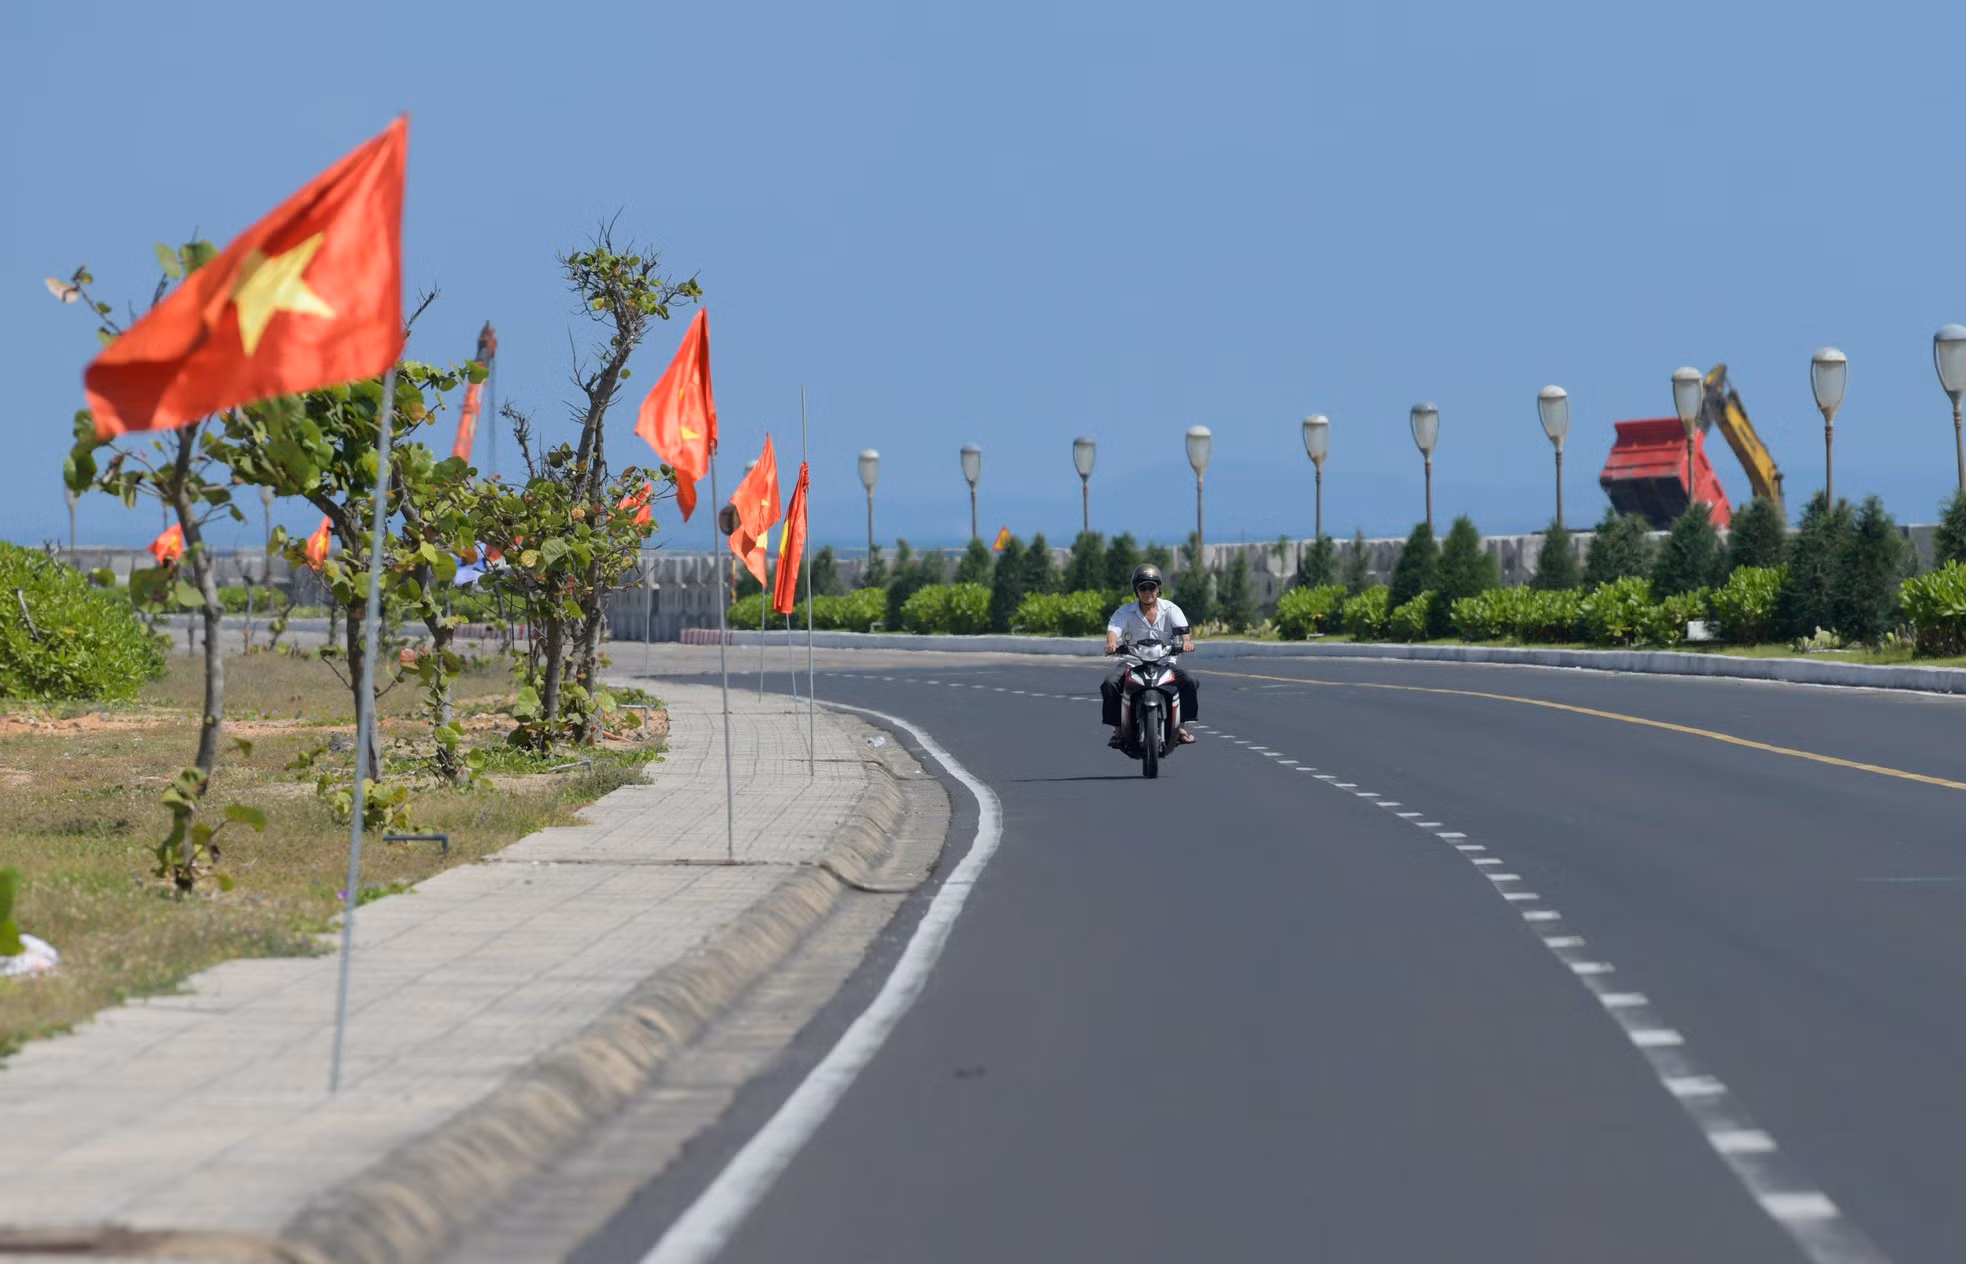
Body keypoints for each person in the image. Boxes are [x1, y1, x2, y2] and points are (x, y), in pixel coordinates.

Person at [1102, 563, 1199, 747]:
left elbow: (1182, 630)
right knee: (1110, 684)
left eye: (1151, 586)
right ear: (1136, 590)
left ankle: (1181, 728)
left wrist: (1186, 642)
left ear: (1158, 588)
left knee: (1190, 680)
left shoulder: (1171, 609)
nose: (1147, 591)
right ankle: (1118, 729)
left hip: (1164, 662)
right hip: (1132, 663)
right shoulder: (1125, 612)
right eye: (1142, 587)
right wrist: (1112, 644)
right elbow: (1114, 630)